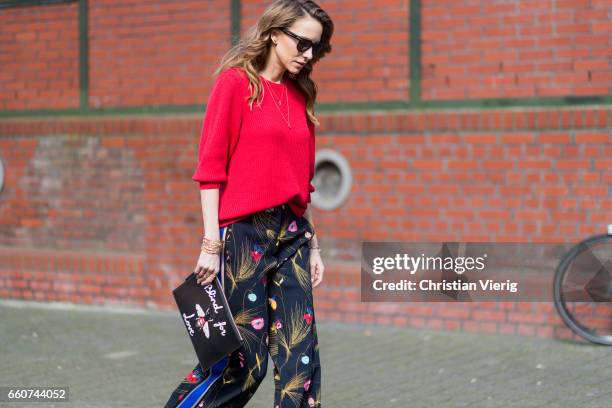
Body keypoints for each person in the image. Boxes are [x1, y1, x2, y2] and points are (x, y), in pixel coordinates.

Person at [164, 1, 334, 407]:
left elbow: (301, 185)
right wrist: (211, 244)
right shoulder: (235, 84)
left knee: (301, 362)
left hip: (291, 235)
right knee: (244, 360)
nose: (307, 55)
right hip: (242, 236)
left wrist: (314, 247)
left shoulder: (301, 95)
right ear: (275, 33)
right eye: (302, 43)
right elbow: (210, 170)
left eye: (315, 48)